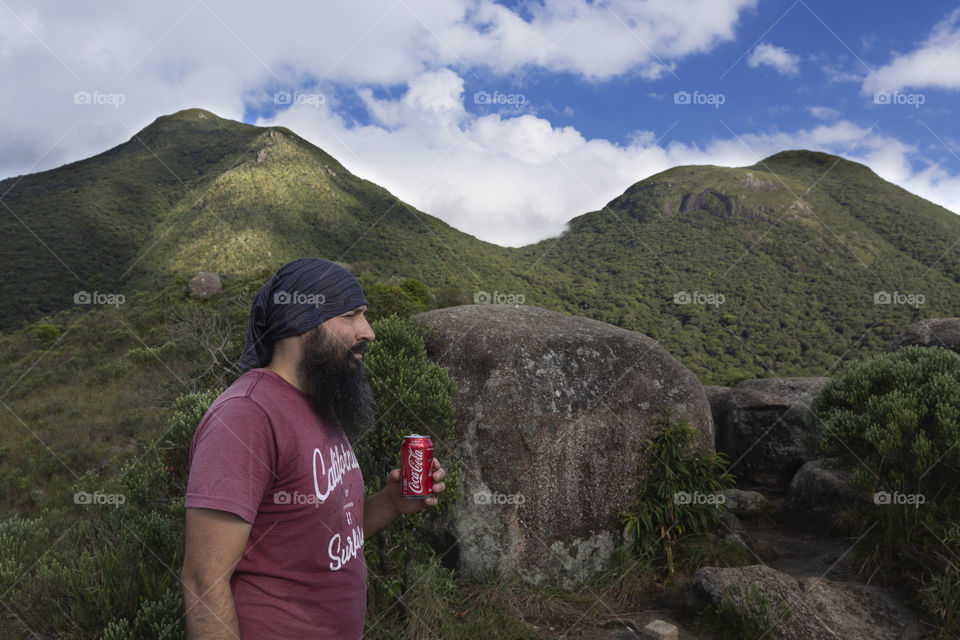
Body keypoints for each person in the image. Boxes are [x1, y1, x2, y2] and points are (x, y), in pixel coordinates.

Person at [181, 257, 446, 639]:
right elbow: (203, 579)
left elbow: (325, 537)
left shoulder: (318, 399)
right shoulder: (247, 414)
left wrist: (391, 502)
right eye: (352, 315)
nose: (368, 331)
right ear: (302, 322)